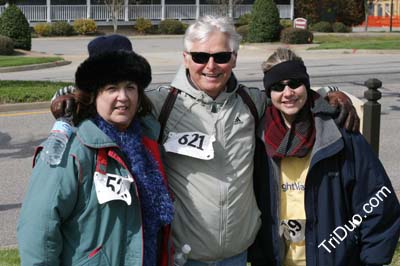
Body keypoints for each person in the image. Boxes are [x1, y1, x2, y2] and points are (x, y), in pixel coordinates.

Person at [50, 18, 359, 265]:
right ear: (186, 58)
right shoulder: (159, 103)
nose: (211, 65)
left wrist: (328, 92)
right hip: (183, 256)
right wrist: (66, 96)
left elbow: (290, 95)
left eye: (221, 56)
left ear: (234, 59)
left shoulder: (252, 102)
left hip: (238, 254)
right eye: (200, 56)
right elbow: (111, 97)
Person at [17, 43, 174, 266]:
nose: (123, 97)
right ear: (93, 96)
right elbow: (38, 229)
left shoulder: (148, 144)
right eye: (112, 88)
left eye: (130, 87)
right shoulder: (71, 150)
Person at [249, 47, 400, 266]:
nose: (288, 92)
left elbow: (378, 202)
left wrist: (373, 259)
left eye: (295, 83)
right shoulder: (259, 136)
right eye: (277, 87)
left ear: (306, 85)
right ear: (268, 93)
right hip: (276, 258)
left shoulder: (339, 132)